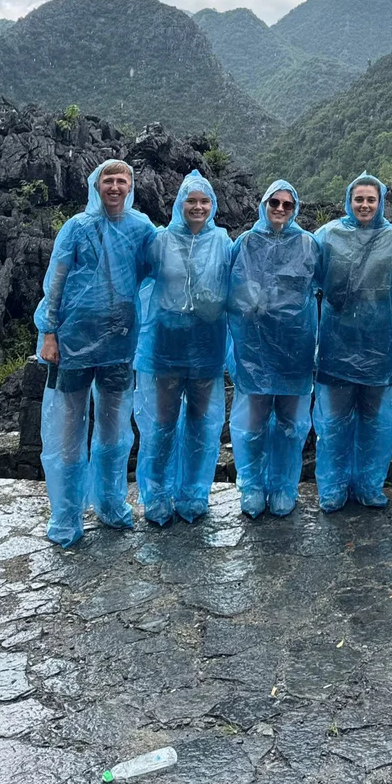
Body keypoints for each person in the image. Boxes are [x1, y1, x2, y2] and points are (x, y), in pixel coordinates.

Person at [34, 159, 155, 547]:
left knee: (114, 431)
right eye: (109, 180)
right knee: (69, 433)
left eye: (122, 180)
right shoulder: (76, 227)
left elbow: (164, 268)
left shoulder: (141, 228)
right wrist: (49, 332)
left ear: (131, 186)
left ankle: (110, 505)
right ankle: (67, 516)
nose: (115, 186)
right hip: (71, 342)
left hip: (119, 343)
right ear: (96, 185)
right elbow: (57, 280)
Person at [133, 170, 232, 525]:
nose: (198, 207)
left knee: (200, 423)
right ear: (179, 204)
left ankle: (193, 492)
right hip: (166, 346)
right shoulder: (160, 241)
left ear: (212, 205)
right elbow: (134, 278)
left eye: (204, 201)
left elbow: (237, 289)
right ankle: (157, 494)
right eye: (191, 200)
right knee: (162, 423)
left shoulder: (223, 242)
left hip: (206, 346)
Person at [227, 180, 320, 518]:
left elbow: (327, 287)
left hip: (295, 348)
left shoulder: (308, 245)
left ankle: (283, 486)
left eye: (287, 205)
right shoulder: (246, 243)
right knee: (252, 423)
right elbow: (230, 294)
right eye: (274, 203)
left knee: (290, 424)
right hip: (255, 350)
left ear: (295, 210)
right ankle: (251, 485)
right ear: (263, 205)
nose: (280, 210)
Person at [313, 173, 392, 511]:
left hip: (379, 343)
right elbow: (306, 276)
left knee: (374, 419)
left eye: (371, 199)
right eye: (359, 199)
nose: (365, 205)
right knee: (335, 420)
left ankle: (368, 484)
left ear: (380, 202)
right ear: (348, 202)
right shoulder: (328, 235)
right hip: (339, 342)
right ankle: (334, 486)